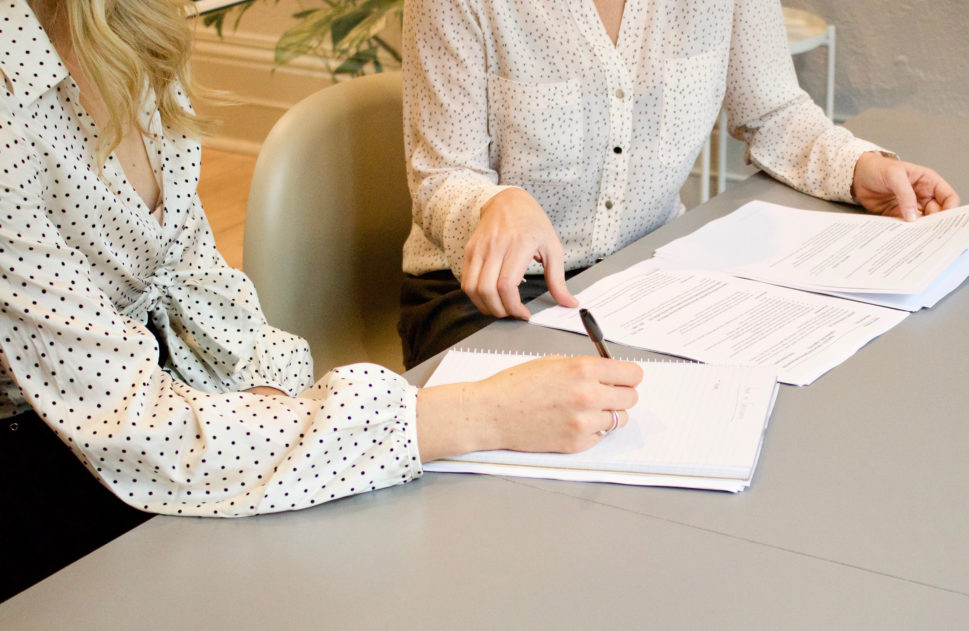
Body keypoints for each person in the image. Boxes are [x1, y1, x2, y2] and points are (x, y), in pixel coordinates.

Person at [0, 0, 642, 601]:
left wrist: (271, 397)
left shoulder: (132, 29)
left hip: (157, 411)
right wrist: (477, 415)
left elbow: (194, 278)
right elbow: (137, 429)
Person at [398, 0, 961, 368]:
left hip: (645, 278)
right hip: (486, 296)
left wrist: (860, 167)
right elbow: (441, 176)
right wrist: (495, 204)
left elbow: (773, 111)